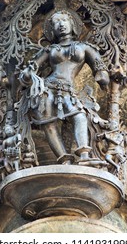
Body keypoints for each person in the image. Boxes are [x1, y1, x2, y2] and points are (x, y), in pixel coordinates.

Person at [19, 9, 110, 165]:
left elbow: (100, 67)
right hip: (47, 88)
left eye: (64, 20)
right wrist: (27, 74)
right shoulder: (49, 50)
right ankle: (64, 160)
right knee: (48, 124)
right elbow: (31, 69)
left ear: (72, 24)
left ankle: (84, 156)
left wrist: (104, 76)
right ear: (52, 30)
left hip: (68, 90)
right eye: (56, 23)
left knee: (79, 116)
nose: (60, 25)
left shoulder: (84, 47)